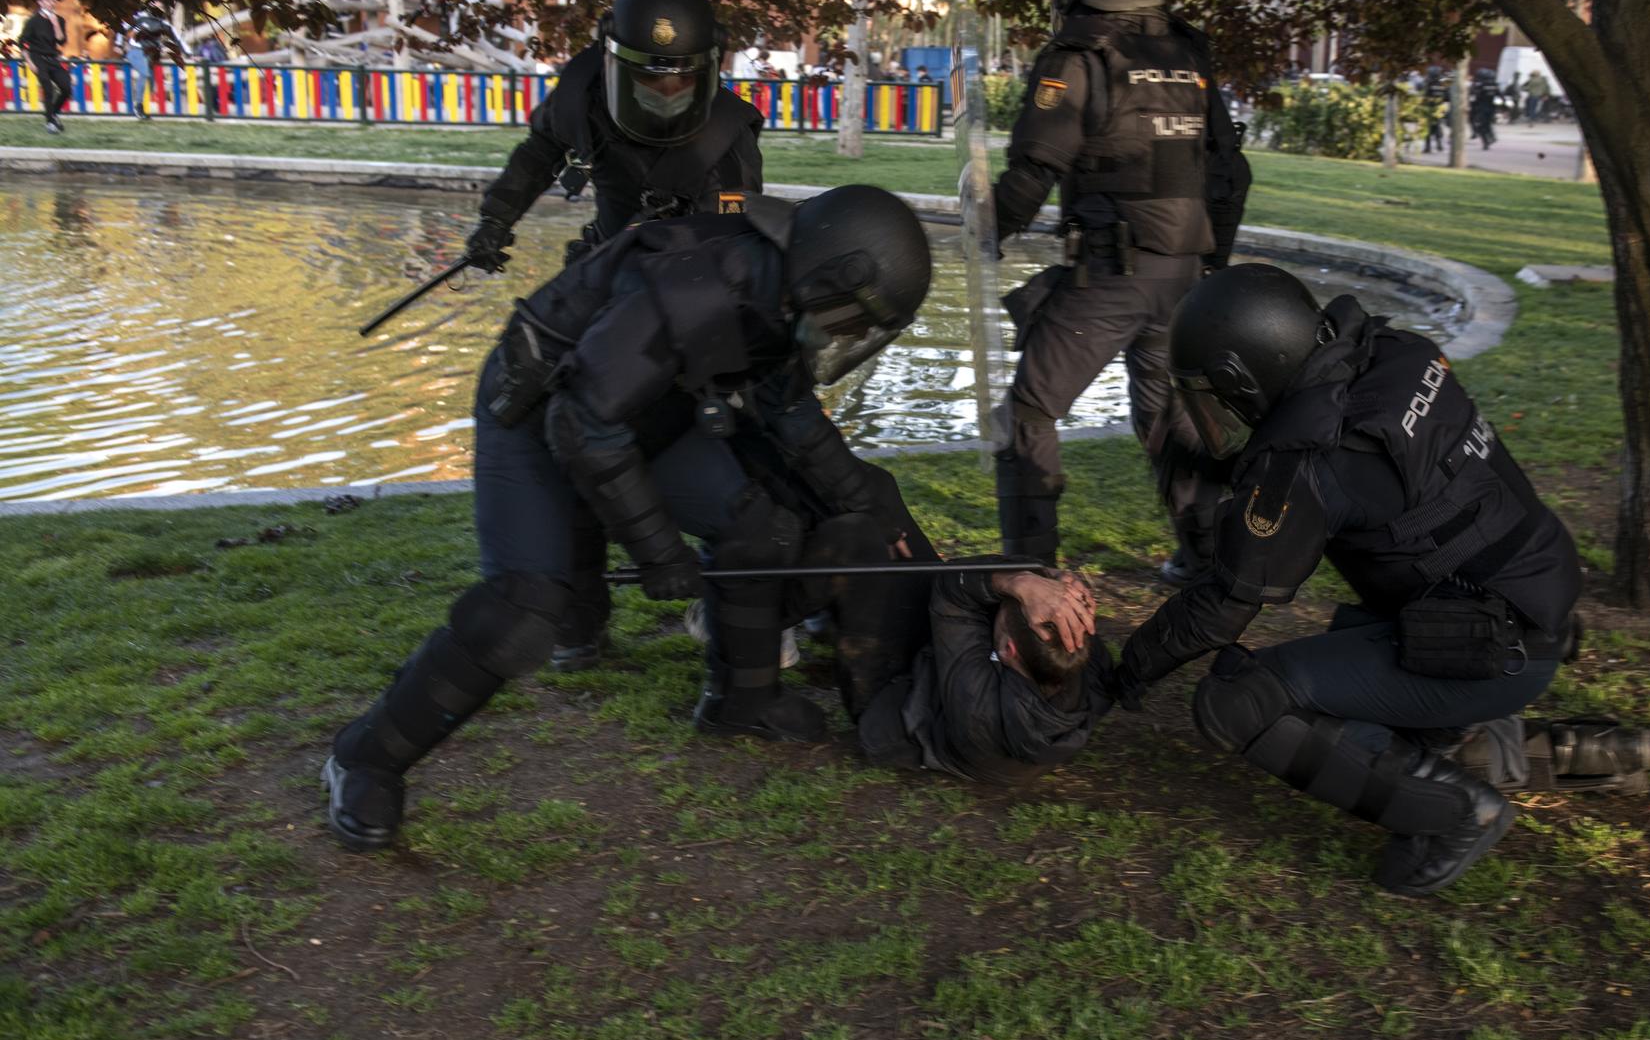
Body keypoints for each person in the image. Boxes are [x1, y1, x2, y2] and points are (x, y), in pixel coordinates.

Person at [321, 186, 935, 851]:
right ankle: (364, 757)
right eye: (851, 319)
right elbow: (580, 424)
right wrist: (658, 550)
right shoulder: (702, 290)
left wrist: (872, 505)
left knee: (761, 526)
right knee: (524, 610)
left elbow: (790, 416)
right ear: (826, 276)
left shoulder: (780, 288)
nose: (849, 335)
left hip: (642, 410)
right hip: (538, 411)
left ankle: (740, 702)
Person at [1108, 264, 1586, 896]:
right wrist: (1196, 459)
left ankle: (1455, 814)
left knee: (1239, 699)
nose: (1217, 409)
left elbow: (1224, 606)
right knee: (1350, 663)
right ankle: (1496, 744)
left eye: (1215, 395)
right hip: (1534, 604)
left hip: (1491, 652)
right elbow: (1361, 474)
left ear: (1241, 377)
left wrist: (1121, 674)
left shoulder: (1307, 464)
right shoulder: (1391, 354)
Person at [463, 0, 766, 670]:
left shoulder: (728, 133)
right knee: (561, 434)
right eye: (648, 81)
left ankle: (736, 598)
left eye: (679, 81)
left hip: (681, 302)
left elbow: (735, 243)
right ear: (615, 60)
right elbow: (538, 153)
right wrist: (495, 219)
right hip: (600, 278)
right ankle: (578, 617)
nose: (665, 94)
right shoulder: (582, 87)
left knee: (709, 437)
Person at [990, 0, 1252, 586]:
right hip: (1186, 276)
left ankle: (1032, 566)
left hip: (1112, 274)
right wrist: (1209, 264)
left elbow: (1032, 175)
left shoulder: (1079, 55)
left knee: (1028, 412)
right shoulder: (1187, 52)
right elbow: (1230, 172)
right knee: (1171, 415)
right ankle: (1206, 558)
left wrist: (984, 232)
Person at [779, 510, 1115, 784]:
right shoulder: (1073, 658)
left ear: (1009, 649)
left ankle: (758, 628)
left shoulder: (979, 705)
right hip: (937, 675)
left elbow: (952, 587)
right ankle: (826, 614)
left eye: (1002, 610)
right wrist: (1051, 578)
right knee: (882, 497)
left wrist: (1020, 581)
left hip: (894, 701)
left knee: (852, 536)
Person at [120, 7, 184, 120]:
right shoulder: (142, 20)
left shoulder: (159, 24)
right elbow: (130, 35)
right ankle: (138, 106)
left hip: (148, 55)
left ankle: (139, 105)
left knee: (150, 82)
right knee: (144, 74)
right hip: (135, 51)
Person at [22, 0, 70, 134]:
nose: (51, 3)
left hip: (52, 59)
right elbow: (23, 42)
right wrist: (29, 62)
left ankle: (52, 113)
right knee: (47, 88)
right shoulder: (33, 21)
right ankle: (50, 123)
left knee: (66, 87)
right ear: (41, 2)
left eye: (53, 1)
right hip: (37, 57)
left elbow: (61, 41)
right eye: (48, 1)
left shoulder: (59, 20)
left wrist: (55, 24)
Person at [1469, 69, 1499, 150]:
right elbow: (1500, 96)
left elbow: (1475, 97)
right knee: (1488, 124)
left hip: (1481, 108)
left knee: (1480, 126)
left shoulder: (1480, 86)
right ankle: (1492, 137)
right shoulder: (1495, 85)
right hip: (1491, 108)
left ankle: (1486, 143)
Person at [1420, 66, 1448, 154]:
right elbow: (1447, 96)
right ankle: (1439, 145)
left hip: (1429, 108)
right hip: (1440, 107)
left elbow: (1424, 94)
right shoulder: (1443, 83)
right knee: (1437, 126)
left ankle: (1428, 147)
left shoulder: (1428, 82)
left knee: (1427, 127)